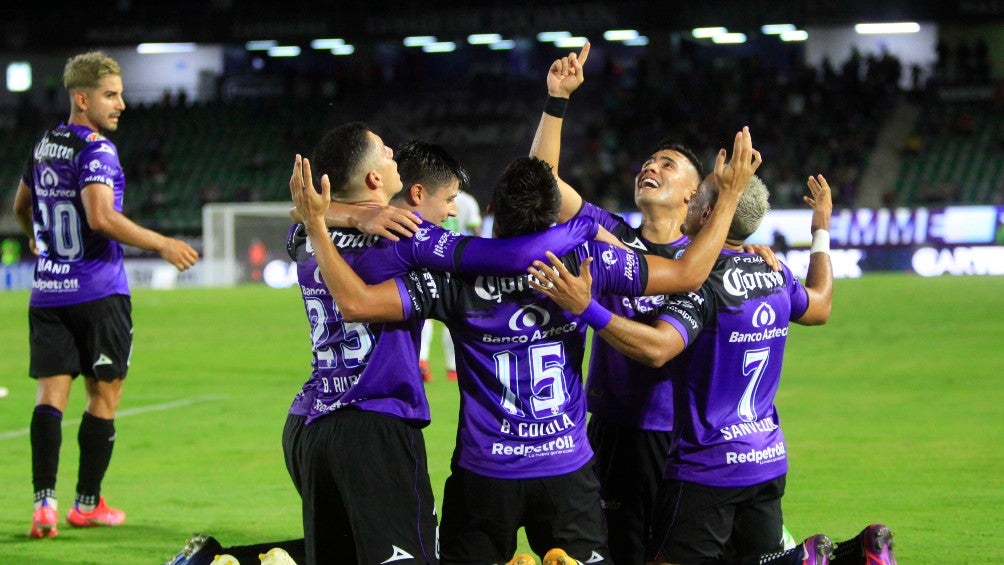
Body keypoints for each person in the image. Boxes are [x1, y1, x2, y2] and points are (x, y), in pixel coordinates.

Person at [289, 123, 760, 563]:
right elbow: (687, 273)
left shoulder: (451, 279)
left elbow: (360, 301)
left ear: (491, 212)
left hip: (481, 473)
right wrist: (731, 203)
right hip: (566, 470)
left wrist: (322, 219)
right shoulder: (585, 263)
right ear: (554, 214)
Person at [167, 128, 599, 565]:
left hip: (312, 420)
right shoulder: (403, 235)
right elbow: (505, 258)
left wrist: (342, 217)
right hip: (375, 421)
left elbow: (303, 217)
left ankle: (222, 560)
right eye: (388, 154)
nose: (395, 155)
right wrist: (586, 223)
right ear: (376, 179)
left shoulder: (306, 236)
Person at [528, 172, 895, 565]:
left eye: (697, 198)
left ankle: (803, 561)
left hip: (710, 464)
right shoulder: (774, 273)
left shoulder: (702, 283)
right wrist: (821, 228)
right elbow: (820, 305)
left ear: (707, 214)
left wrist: (588, 309)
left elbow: (659, 349)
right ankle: (856, 554)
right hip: (766, 456)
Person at [11, 51, 198, 540]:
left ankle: (42, 506)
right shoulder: (98, 150)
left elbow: (20, 206)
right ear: (81, 98)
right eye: (110, 95)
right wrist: (162, 242)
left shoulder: (44, 144)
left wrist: (38, 236)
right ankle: (86, 504)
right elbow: (100, 217)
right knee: (104, 396)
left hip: (49, 292)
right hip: (98, 291)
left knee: (49, 397)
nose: (121, 105)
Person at [530, 42, 704, 563]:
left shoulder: (699, 262)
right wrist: (556, 100)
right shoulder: (608, 231)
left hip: (668, 435)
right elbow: (540, 186)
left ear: (692, 196)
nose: (651, 167)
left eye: (668, 165)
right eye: (649, 161)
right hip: (603, 428)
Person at [419, 189, 482, 382]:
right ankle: (453, 368)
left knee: (425, 314)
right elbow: (476, 232)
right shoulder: (468, 201)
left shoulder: (431, 198)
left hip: (429, 260)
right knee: (455, 314)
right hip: (457, 265)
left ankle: (422, 360)